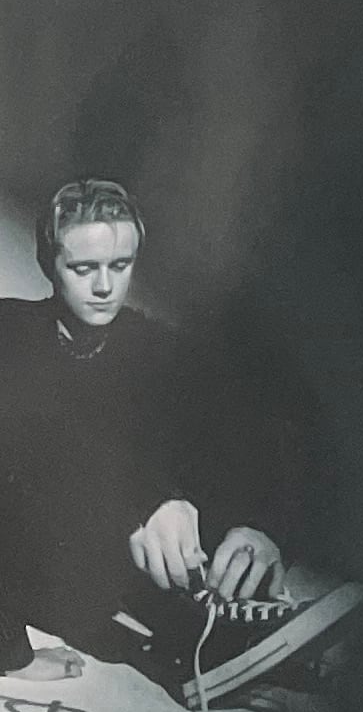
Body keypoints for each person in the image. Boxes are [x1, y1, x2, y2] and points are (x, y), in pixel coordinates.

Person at [0, 176, 284, 668]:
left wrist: (252, 525)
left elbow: (235, 442)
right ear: (49, 265)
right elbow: (40, 447)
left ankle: (221, 621)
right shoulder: (10, 331)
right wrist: (12, 654)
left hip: (101, 572)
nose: (104, 287)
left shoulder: (158, 349)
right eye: (84, 268)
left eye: (120, 265)